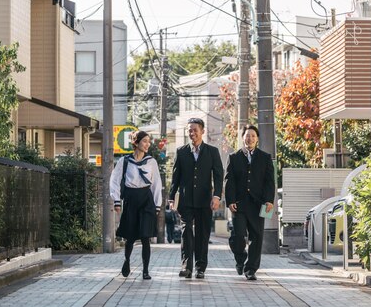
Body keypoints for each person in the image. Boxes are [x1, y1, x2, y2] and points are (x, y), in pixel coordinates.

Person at [169, 117, 223, 279]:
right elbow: (175, 177)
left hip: (205, 200)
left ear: (202, 132)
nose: (192, 133)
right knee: (186, 233)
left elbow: (219, 176)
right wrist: (172, 198)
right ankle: (186, 267)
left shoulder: (212, 152)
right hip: (186, 201)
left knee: (202, 234)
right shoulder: (181, 151)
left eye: (195, 130)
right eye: (189, 130)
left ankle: (200, 267)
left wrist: (217, 196)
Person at [224, 125, 275, 281]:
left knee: (257, 237)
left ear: (257, 138)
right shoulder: (234, 157)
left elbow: (269, 181)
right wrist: (230, 201)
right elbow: (229, 181)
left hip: (258, 204)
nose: (250, 138)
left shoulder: (265, 157)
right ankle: (240, 258)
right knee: (238, 236)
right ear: (242, 138)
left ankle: (251, 269)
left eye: (253, 136)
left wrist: (269, 200)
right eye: (247, 135)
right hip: (239, 205)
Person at [110, 130, 162, 280]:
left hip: (147, 200)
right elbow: (114, 180)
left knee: (145, 236)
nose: (147, 144)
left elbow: (157, 183)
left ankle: (145, 270)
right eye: (144, 141)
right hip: (131, 200)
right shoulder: (124, 161)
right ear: (136, 143)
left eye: (148, 141)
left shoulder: (151, 162)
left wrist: (157, 205)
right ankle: (127, 260)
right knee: (131, 237)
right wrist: (117, 200)